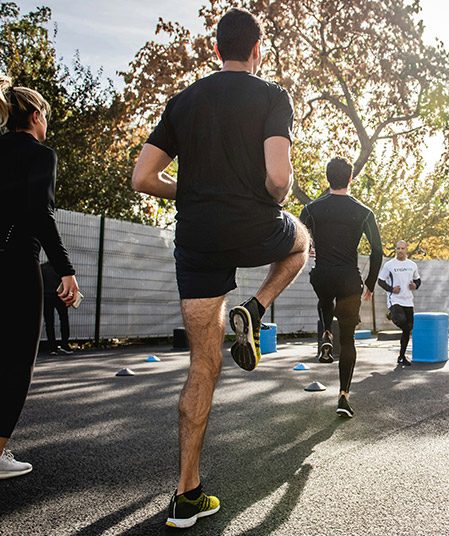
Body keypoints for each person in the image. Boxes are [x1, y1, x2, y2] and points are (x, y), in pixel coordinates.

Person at [131, 9, 309, 529]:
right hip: (255, 227)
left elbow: (143, 177)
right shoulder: (272, 95)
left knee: (202, 366)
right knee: (300, 242)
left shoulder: (183, 102)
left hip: (198, 239)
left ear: (216, 51)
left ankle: (186, 494)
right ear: (257, 51)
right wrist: (274, 196)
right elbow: (278, 178)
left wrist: (188, 191)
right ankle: (255, 307)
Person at [0, 76, 79, 479]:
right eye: (45, 115)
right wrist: (66, 269)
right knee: (16, 362)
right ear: (34, 116)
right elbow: (40, 214)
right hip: (15, 265)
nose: (46, 123)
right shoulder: (41, 154)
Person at [299, 157, 382, 418]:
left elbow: (298, 239)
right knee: (348, 340)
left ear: (327, 178)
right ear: (350, 178)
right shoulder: (364, 212)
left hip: (322, 275)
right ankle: (343, 396)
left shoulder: (311, 209)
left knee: (324, 297)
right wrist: (369, 284)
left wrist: (310, 247)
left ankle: (325, 332)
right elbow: (377, 251)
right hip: (349, 280)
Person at [377, 240, 421, 366]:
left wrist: (415, 285)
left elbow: (418, 280)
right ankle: (392, 314)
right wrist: (391, 289)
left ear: (407, 249)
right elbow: (380, 281)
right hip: (395, 300)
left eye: (402, 248)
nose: (400, 251)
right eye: (398, 248)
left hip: (408, 300)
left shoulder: (412, 265)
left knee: (408, 329)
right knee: (402, 321)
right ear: (395, 250)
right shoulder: (389, 265)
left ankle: (401, 357)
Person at [41, 261, 74, 355]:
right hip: (60, 297)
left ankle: (52, 348)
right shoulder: (61, 267)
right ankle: (64, 345)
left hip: (46, 297)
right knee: (64, 320)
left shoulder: (42, 268)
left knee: (49, 323)